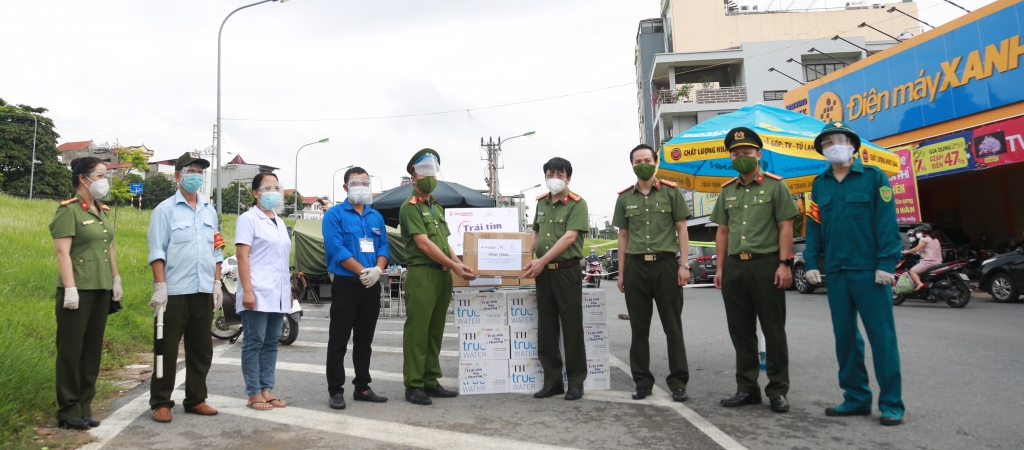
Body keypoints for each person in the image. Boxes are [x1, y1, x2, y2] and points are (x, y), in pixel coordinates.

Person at [803, 121, 905, 426]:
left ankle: (891, 403)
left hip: (870, 272)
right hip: (836, 272)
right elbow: (814, 227)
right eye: (827, 142)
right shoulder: (819, 184)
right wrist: (810, 262)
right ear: (821, 149)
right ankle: (856, 397)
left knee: (882, 338)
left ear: (853, 144)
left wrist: (887, 265)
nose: (833, 145)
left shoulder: (875, 178)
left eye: (839, 139)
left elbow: (887, 224)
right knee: (845, 338)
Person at [709, 127, 798, 413]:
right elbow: (722, 231)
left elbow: (786, 226)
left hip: (766, 264)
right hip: (735, 266)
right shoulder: (727, 191)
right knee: (741, 331)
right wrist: (720, 267)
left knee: (773, 330)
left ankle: (777, 390)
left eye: (746, 153)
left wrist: (785, 264)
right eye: (735, 154)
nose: (741, 157)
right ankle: (747, 388)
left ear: (758, 155)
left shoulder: (776, 186)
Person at [147, 152, 224, 423]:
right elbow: (157, 251)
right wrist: (160, 287)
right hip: (174, 292)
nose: (197, 176)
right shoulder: (164, 210)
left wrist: (217, 282)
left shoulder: (209, 211)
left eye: (200, 171)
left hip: (203, 289)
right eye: (191, 171)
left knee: (202, 349)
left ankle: (196, 399)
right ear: (178, 175)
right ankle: (160, 402)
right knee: (166, 348)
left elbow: (217, 249)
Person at [611, 144, 691, 402]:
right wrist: (621, 272)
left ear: (655, 162)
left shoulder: (670, 192)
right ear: (632, 165)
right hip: (635, 267)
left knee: (673, 327)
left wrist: (684, 264)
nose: (642, 164)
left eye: (647, 159)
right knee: (639, 328)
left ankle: (678, 382)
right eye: (637, 161)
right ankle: (642, 381)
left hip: (666, 265)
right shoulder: (624, 198)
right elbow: (623, 237)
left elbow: (682, 229)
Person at [50, 157, 122, 430]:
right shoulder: (69, 211)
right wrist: (70, 289)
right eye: (100, 175)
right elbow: (62, 252)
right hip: (78, 290)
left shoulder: (100, 210)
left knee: (92, 351)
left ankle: (85, 406)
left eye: (106, 175)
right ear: (83, 178)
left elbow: (109, 248)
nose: (105, 180)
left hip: (101, 288)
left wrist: (116, 279)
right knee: (71, 351)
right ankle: (68, 411)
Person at [399, 149, 475, 405]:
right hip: (422, 274)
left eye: (433, 171)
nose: (429, 176)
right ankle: (414, 385)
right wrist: (454, 266)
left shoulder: (437, 208)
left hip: (442, 275)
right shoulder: (410, 208)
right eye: (423, 171)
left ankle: (430, 380)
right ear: (413, 176)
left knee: (435, 331)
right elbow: (424, 245)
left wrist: (456, 263)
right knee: (418, 332)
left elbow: (443, 243)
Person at [323, 167, 390, 410]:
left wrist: (378, 271)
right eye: (355, 182)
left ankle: (362, 386)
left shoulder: (376, 217)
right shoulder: (334, 214)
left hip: (371, 284)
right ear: (345, 187)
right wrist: (362, 271)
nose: (361, 186)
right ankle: (335, 390)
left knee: (364, 340)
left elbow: (384, 246)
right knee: (338, 341)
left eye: (365, 182)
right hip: (346, 284)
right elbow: (336, 249)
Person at [522, 157, 589, 401]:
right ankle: (552, 382)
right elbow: (536, 233)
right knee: (547, 327)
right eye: (550, 173)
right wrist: (524, 257)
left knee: (571, 327)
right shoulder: (541, 202)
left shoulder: (577, 204)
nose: (555, 178)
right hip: (544, 273)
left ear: (568, 178)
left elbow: (569, 238)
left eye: (560, 174)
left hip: (566, 270)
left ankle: (576, 382)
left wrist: (541, 261)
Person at [235, 173, 291, 411]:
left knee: (271, 342)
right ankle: (253, 392)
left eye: (276, 187)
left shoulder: (279, 221)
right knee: (254, 342)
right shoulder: (248, 219)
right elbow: (242, 256)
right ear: (256, 193)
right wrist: (247, 290)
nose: (273, 192)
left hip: (278, 293)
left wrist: (287, 290)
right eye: (268, 188)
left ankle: (267, 389)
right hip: (256, 291)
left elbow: (281, 260)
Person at [903, 225, 941, 290]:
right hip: (938, 262)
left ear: (923, 232)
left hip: (929, 262)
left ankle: (919, 283)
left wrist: (905, 252)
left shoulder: (925, 240)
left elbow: (916, 249)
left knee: (912, 271)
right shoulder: (935, 240)